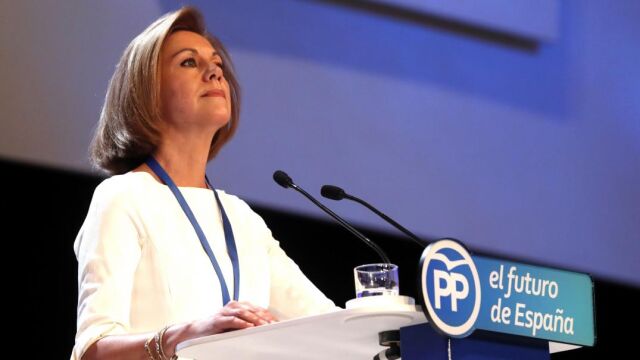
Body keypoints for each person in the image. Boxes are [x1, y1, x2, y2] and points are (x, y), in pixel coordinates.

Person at [71, 6, 337, 360]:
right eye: (188, 62)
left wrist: (389, 320)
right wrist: (190, 334)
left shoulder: (241, 218)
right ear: (147, 91)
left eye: (218, 65)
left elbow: (326, 327)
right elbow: (92, 350)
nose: (214, 71)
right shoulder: (124, 198)